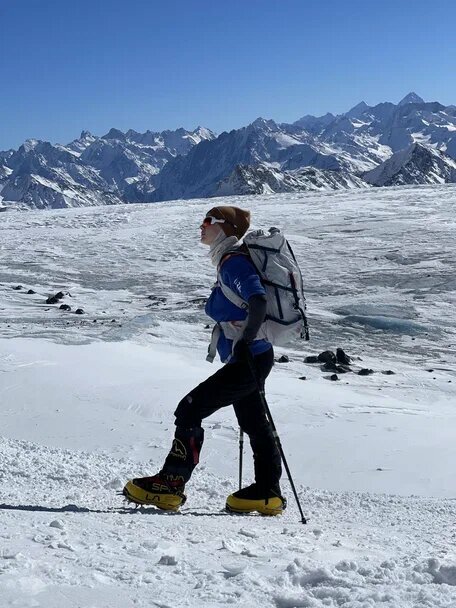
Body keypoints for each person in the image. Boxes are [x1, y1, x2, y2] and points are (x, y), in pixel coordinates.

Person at [123, 205, 285, 516]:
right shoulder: (230, 260)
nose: (202, 225)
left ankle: (170, 486)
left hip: (248, 358)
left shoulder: (233, 263)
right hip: (255, 356)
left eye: (208, 221)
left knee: (189, 408)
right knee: (254, 423)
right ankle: (268, 491)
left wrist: (245, 341)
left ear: (226, 228)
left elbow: (258, 300)